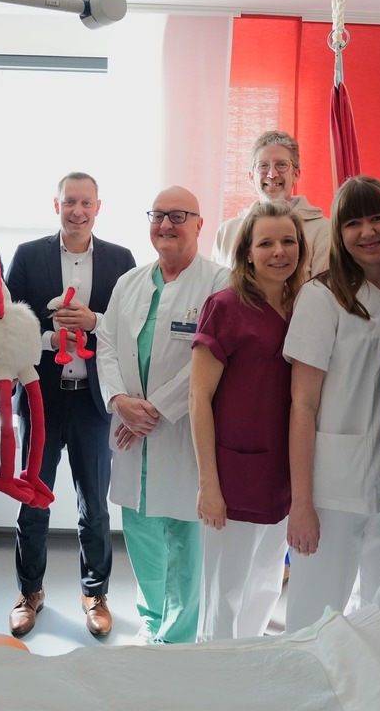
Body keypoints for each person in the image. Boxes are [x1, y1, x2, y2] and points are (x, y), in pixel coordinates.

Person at [4, 172, 136, 637]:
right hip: (41, 398)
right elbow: (9, 324)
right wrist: (49, 337)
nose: (77, 211)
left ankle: (95, 594)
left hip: (93, 402)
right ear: (55, 205)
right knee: (32, 501)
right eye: (69, 202)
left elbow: (129, 328)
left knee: (94, 505)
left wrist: (94, 321)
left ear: (98, 207)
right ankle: (29, 592)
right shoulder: (28, 255)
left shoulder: (121, 259)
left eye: (85, 203)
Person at [96, 186, 229, 644]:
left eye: (178, 216)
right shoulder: (130, 282)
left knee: (183, 534)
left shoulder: (219, 283)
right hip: (130, 427)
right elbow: (106, 343)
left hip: (182, 430)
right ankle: (152, 621)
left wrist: (154, 411)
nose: (166, 224)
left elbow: (210, 357)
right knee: (140, 529)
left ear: (199, 224)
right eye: (158, 215)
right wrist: (119, 401)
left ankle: (179, 635)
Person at [282, 177, 380, 633]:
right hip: (331, 486)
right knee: (312, 619)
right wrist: (302, 503)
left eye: (377, 218)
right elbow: (302, 405)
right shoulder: (322, 297)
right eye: (353, 223)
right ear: (338, 233)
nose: (367, 232)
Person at [190, 199, 306, 641]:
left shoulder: (305, 306)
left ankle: (250, 661)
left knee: (267, 583)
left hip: (283, 472)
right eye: (266, 243)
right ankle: (217, 670)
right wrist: (208, 484)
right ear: (247, 252)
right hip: (234, 473)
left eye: (288, 241)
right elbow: (198, 398)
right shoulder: (225, 306)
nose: (279, 252)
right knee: (225, 592)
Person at [212, 130, 330, 277]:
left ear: (296, 174)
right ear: (251, 176)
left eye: (281, 165)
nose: (272, 174)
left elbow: (323, 290)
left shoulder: (324, 230)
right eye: (263, 165)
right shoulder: (226, 232)